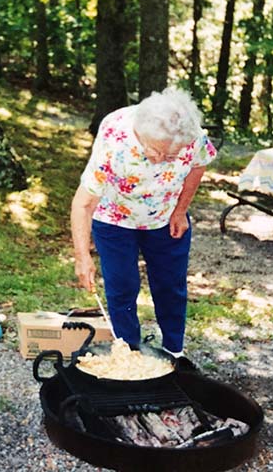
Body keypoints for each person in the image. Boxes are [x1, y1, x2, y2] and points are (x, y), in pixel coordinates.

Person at [70, 87, 217, 357]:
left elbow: (199, 164)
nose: (160, 160)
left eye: (170, 156)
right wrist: (82, 256)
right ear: (140, 133)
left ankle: (174, 352)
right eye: (155, 151)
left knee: (171, 286)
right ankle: (129, 354)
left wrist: (180, 211)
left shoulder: (190, 135)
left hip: (165, 216)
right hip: (115, 218)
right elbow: (83, 203)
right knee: (122, 287)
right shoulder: (115, 139)